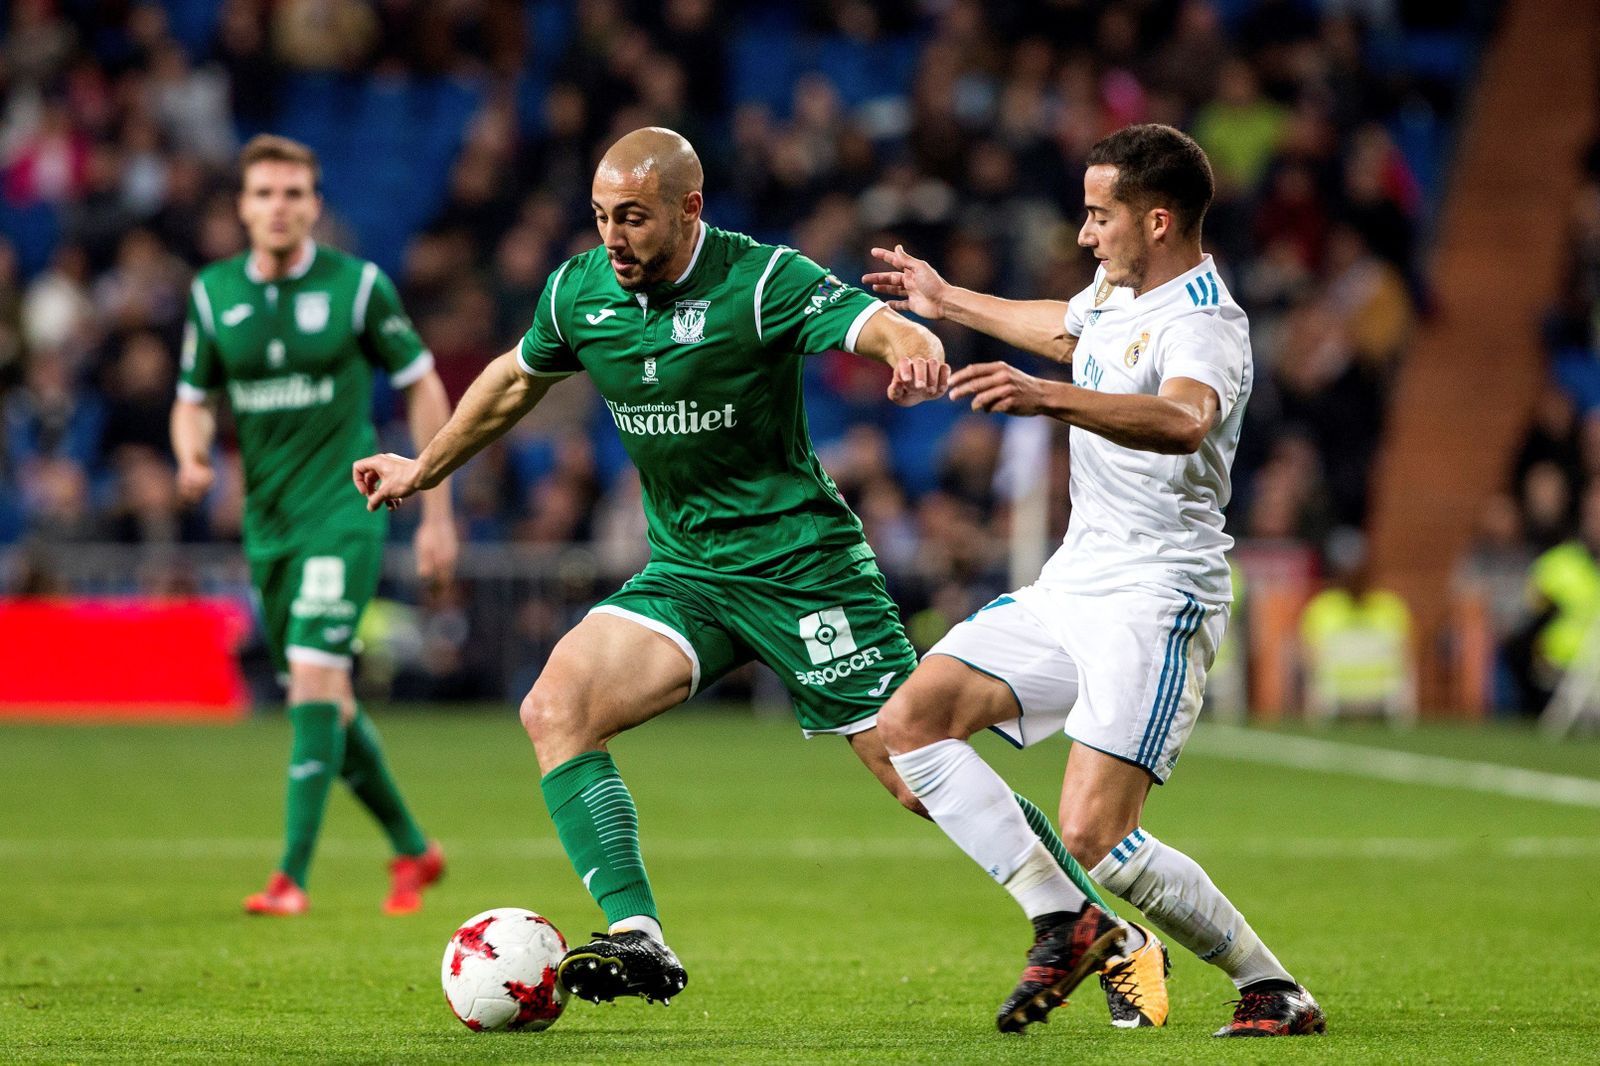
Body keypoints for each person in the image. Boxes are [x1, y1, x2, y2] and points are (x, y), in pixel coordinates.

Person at [353, 127, 1157, 1016]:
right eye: (600, 217)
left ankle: (1106, 933)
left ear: (690, 209)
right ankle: (636, 934)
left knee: (916, 772)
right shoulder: (578, 293)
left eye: (634, 219)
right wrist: (421, 467)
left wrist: (911, 349)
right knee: (557, 707)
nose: (613, 238)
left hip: (803, 570)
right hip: (689, 573)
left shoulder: (760, 279)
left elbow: (871, 321)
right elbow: (512, 381)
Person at [864, 123, 1325, 1038]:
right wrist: (948, 298)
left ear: (1157, 221)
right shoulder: (1118, 289)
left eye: (1097, 215)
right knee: (910, 725)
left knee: (1095, 836)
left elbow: (1184, 418)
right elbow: (1064, 327)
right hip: (1075, 582)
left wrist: (1046, 396)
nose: (1084, 234)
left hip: (1158, 597)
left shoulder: (1206, 320)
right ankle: (1071, 921)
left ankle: (1271, 987)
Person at [171, 134, 457, 917]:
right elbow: (192, 396)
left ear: (314, 206)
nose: (278, 207)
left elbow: (423, 384)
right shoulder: (212, 295)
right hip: (269, 524)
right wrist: (193, 458)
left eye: (294, 193)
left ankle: (290, 877)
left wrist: (435, 505)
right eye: (264, 193)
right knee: (321, 694)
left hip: (348, 508)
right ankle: (412, 846)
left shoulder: (358, 288)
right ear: (242, 206)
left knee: (317, 677)